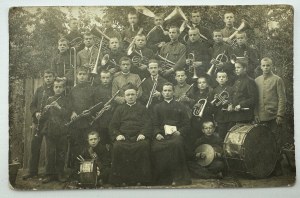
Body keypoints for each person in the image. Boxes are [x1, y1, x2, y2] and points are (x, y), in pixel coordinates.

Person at [109, 84, 152, 186]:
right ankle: (120, 180)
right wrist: (117, 135)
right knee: (117, 146)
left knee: (144, 145)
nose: (130, 97)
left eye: (132, 94)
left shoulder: (142, 109)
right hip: (124, 137)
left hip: (138, 137)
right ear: (124, 96)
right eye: (128, 95)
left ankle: (142, 179)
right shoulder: (119, 109)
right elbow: (112, 126)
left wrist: (143, 134)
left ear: (136, 95)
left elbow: (148, 124)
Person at [152, 82, 191, 186]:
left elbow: (187, 124)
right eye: (165, 90)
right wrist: (157, 134)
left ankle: (177, 178)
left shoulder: (180, 106)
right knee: (156, 146)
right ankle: (162, 178)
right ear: (162, 92)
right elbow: (154, 124)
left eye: (169, 90)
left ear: (173, 92)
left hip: (176, 135)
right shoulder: (157, 107)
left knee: (176, 144)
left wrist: (180, 132)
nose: (167, 93)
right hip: (162, 135)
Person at [254, 57, 286, 176]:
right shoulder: (257, 80)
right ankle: (266, 168)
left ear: (272, 66)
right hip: (261, 117)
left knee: (275, 142)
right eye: (263, 65)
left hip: (274, 117)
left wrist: (280, 115)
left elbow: (282, 98)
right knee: (263, 142)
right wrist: (256, 114)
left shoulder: (277, 80)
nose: (266, 68)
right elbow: (255, 100)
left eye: (268, 66)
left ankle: (277, 167)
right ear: (260, 66)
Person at [23, 69, 55, 180]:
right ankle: (32, 171)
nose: (48, 79)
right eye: (46, 76)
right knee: (34, 147)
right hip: (38, 123)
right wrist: (36, 112)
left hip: (50, 123)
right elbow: (32, 105)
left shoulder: (56, 89)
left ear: (54, 77)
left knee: (50, 148)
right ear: (43, 77)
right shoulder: (39, 90)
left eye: (50, 76)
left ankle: (49, 173)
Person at [67, 67, 97, 178]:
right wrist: (73, 112)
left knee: (87, 146)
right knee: (75, 146)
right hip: (76, 124)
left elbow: (96, 105)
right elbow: (69, 104)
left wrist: (89, 112)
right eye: (80, 74)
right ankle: (76, 172)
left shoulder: (92, 89)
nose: (82, 76)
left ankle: (88, 173)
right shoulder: (73, 90)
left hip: (88, 122)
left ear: (88, 76)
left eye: (84, 74)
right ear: (77, 76)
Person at [41, 78, 70, 183]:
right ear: (53, 88)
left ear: (64, 88)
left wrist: (58, 107)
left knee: (61, 152)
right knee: (50, 153)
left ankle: (60, 174)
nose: (58, 89)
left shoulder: (67, 100)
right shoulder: (49, 99)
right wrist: (45, 110)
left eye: (60, 87)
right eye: (56, 87)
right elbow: (43, 117)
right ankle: (49, 174)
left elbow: (67, 114)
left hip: (62, 130)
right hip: (50, 130)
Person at [227, 60, 258, 124]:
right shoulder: (236, 80)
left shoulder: (250, 81)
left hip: (245, 116)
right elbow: (232, 94)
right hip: (235, 115)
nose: (236, 69)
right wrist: (230, 104)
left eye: (238, 67)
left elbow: (254, 98)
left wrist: (241, 105)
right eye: (235, 68)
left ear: (244, 69)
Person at [92, 70, 114, 145]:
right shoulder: (96, 90)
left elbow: (117, 101)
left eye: (107, 78)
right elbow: (94, 103)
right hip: (101, 119)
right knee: (102, 140)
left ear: (111, 78)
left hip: (112, 117)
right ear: (100, 78)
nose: (105, 80)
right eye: (103, 78)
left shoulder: (113, 88)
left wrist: (111, 106)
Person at [210, 71, 233, 140]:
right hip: (220, 116)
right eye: (219, 77)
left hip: (229, 116)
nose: (221, 79)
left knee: (230, 136)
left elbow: (234, 100)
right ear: (216, 79)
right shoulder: (214, 90)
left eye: (223, 77)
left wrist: (228, 102)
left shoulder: (231, 89)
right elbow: (213, 106)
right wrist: (215, 100)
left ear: (227, 79)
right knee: (221, 136)